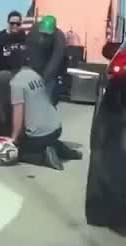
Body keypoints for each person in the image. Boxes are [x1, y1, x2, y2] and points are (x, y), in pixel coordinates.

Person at [6, 38, 82, 170]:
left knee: (18, 151)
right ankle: (65, 151)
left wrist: (13, 139)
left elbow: (18, 115)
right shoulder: (36, 76)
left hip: (39, 135)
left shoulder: (16, 83)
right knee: (48, 139)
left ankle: (43, 157)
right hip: (56, 127)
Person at [0, 11, 27, 127]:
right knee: (1, 111)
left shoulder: (23, 38)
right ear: (8, 23)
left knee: (17, 108)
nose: (15, 26)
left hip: (18, 78)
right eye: (12, 23)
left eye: (18, 24)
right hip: (2, 79)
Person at [27, 15, 67, 106]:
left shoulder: (59, 37)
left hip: (51, 75)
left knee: (47, 101)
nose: (44, 37)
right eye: (43, 33)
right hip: (35, 71)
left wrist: (44, 77)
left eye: (47, 34)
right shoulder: (34, 31)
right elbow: (29, 51)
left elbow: (56, 60)